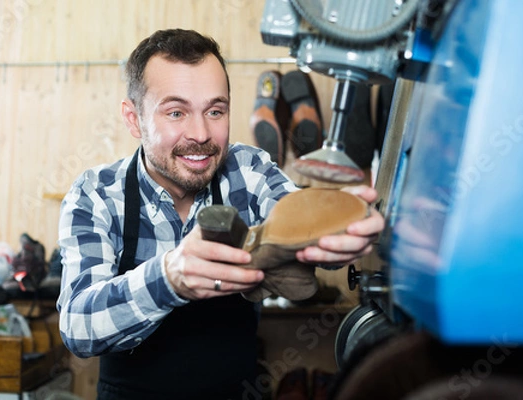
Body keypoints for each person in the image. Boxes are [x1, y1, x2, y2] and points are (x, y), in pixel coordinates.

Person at [57, 28, 384, 400]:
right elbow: (78, 327)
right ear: (133, 119)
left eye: (215, 111)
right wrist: (169, 278)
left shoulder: (247, 169)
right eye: (176, 112)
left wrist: (341, 220)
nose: (200, 133)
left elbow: (298, 219)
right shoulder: (97, 194)